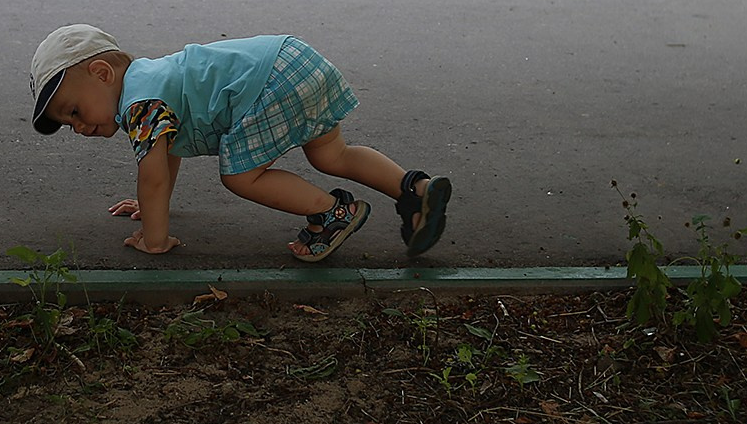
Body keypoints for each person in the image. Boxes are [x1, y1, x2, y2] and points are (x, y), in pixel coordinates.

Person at [28, 24, 451, 263]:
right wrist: (154, 208)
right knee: (331, 153)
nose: (77, 127)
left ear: (102, 73)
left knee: (240, 175)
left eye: (74, 111)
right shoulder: (150, 80)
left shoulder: (141, 103)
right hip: (294, 59)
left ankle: (333, 213)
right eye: (67, 124)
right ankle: (415, 188)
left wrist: (154, 237)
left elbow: (152, 175)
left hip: (269, 83)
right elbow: (167, 155)